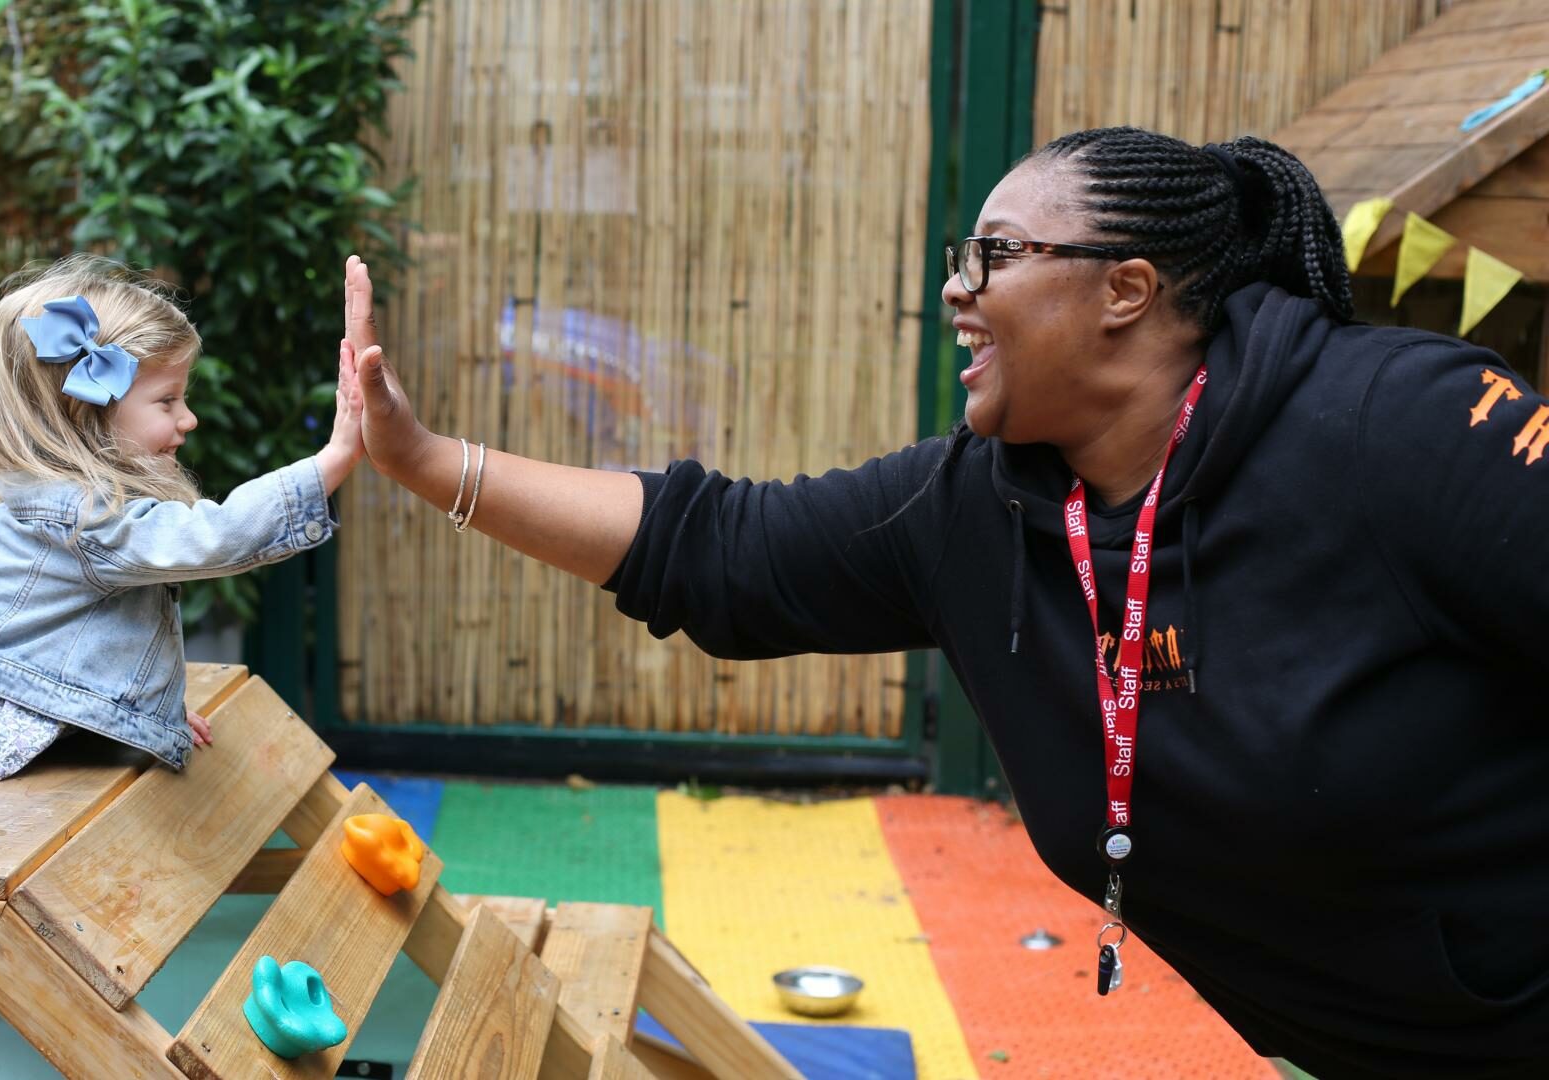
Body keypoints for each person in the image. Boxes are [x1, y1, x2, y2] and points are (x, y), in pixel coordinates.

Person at [341, 125, 1549, 1079]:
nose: (958, 290)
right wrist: (427, 461)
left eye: (997, 254)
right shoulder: (982, 510)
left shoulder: (1401, 428)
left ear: (1125, 288)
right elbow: (720, 548)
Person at [0, 255, 367, 905]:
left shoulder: (74, 518)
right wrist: (333, 458)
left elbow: (60, 660)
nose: (186, 420)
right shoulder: (82, 524)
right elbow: (208, 537)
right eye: (166, 401)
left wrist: (135, 711)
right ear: (87, 416)